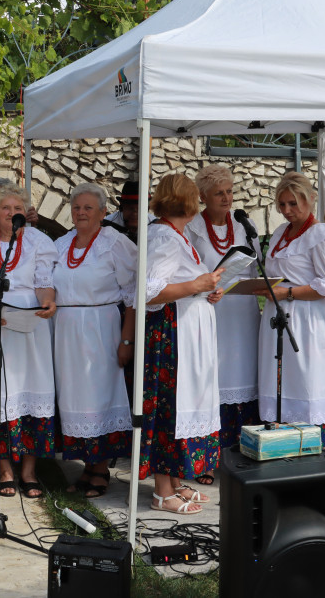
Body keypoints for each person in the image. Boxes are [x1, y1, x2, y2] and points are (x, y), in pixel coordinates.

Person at [0, 182, 57, 498]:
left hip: (31, 326)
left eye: (18, 209)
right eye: (6, 208)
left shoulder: (39, 242)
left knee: (32, 392)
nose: (13, 214)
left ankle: (29, 471)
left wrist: (48, 303)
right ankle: (4, 469)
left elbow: (44, 283)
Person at [139, 173, 224, 515]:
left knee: (185, 406)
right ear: (189, 202)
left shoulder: (176, 235)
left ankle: (174, 481)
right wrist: (195, 285)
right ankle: (162, 491)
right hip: (173, 334)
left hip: (188, 331)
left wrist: (205, 289)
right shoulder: (164, 237)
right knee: (171, 407)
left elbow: (183, 282)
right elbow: (149, 292)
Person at [53, 183, 136, 498]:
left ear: (103, 212)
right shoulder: (60, 244)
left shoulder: (116, 244)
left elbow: (133, 297)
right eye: (76, 207)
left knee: (99, 395)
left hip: (102, 328)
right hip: (66, 331)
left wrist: (126, 341)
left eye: (89, 208)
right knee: (75, 398)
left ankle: (100, 469)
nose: (81, 213)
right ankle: (87, 466)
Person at [253, 172, 325, 438]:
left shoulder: (320, 234)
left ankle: (311, 441)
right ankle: (282, 439)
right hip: (277, 315)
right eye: (282, 204)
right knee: (279, 380)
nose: (287, 210)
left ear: (309, 200)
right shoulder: (281, 232)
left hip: (307, 318)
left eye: (293, 203)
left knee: (306, 380)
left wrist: (288, 293)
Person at [185, 164, 261, 487]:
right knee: (209, 378)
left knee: (242, 375)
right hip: (208, 310)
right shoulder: (192, 227)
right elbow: (186, 268)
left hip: (241, 311)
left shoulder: (245, 224)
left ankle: (243, 453)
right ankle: (207, 456)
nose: (227, 198)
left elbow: (256, 267)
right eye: (219, 193)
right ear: (203, 196)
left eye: (230, 191)